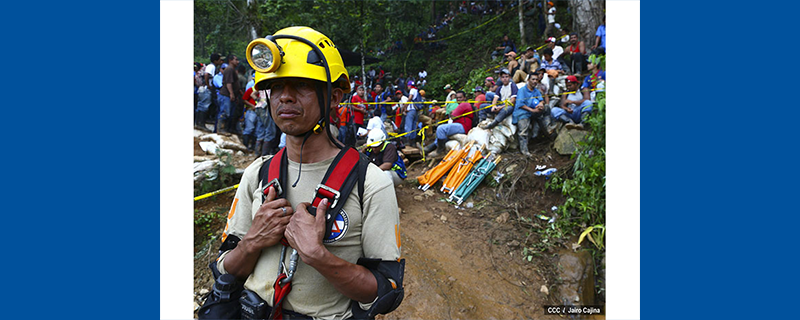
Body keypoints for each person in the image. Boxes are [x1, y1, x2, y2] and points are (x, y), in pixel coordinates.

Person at [211, 26, 403, 320]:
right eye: (276, 87)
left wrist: (318, 256)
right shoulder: (258, 174)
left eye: (300, 85)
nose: (284, 98)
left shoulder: (370, 183)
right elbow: (225, 267)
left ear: (335, 97)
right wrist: (253, 240)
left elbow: (385, 290)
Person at [423, 91, 473, 157]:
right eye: (457, 98)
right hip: (461, 125)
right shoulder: (463, 105)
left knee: (441, 129)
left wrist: (452, 113)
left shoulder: (463, 104)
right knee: (442, 134)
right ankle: (428, 149)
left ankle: (439, 151)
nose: (458, 99)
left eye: (460, 97)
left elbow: (453, 116)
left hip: (463, 126)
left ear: (464, 98)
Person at [512, 74, 546, 156]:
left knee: (546, 109)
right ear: (528, 80)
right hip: (522, 112)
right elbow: (520, 104)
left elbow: (541, 100)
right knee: (523, 131)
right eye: (533, 79)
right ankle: (524, 151)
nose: (535, 81)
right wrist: (533, 110)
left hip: (532, 112)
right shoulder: (522, 90)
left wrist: (541, 104)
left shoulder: (536, 91)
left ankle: (543, 132)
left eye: (536, 80)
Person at [218, 55, 241, 134]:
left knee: (229, 113)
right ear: (230, 60)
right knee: (225, 112)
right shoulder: (229, 69)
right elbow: (228, 83)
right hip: (226, 95)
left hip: (229, 95)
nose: (237, 62)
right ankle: (221, 129)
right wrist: (231, 93)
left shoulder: (232, 69)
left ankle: (225, 129)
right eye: (236, 60)